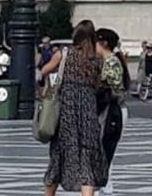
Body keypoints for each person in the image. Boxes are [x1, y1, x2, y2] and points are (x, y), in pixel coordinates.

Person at [40, 20, 105, 196]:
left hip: (66, 112)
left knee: (58, 155)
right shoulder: (97, 58)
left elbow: (44, 71)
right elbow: (99, 83)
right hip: (88, 112)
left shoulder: (64, 54)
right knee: (87, 158)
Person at [94, 28, 129, 189]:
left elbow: (111, 89)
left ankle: (105, 189)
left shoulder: (111, 62)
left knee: (105, 151)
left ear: (104, 44)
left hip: (111, 110)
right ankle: (103, 187)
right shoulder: (107, 61)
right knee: (103, 152)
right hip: (109, 109)